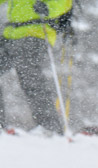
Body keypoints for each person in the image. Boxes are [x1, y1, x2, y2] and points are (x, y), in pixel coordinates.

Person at [0, 0, 73, 134]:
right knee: (30, 77)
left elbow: (63, 3)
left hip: (36, 31)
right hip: (11, 34)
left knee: (29, 76)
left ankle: (49, 127)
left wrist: (48, 8)